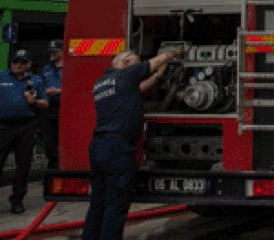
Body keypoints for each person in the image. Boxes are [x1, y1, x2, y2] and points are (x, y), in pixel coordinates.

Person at [82, 47, 184, 240]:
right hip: (117, 149)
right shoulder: (126, 75)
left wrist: (158, 76)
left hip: (98, 146)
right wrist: (173, 53)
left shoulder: (102, 83)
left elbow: (139, 89)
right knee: (116, 205)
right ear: (125, 63)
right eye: (136, 63)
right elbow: (156, 60)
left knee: (98, 203)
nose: (138, 67)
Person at [0, 49, 48, 214]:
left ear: (29, 64)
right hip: (3, 126)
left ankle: (17, 200)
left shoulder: (35, 81)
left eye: (22, 62)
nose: (18, 65)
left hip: (26, 125)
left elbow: (45, 103)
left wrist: (34, 101)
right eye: (15, 62)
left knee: (23, 164)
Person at [40, 40, 64, 169]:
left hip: (65, 109)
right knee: (50, 141)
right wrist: (45, 91)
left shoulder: (70, 67)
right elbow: (39, 87)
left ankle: (61, 169)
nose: (52, 53)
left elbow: (76, 89)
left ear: (62, 51)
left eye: (55, 51)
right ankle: (52, 170)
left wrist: (59, 91)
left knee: (63, 139)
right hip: (48, 108)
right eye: (50, 51)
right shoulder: (46, 68)